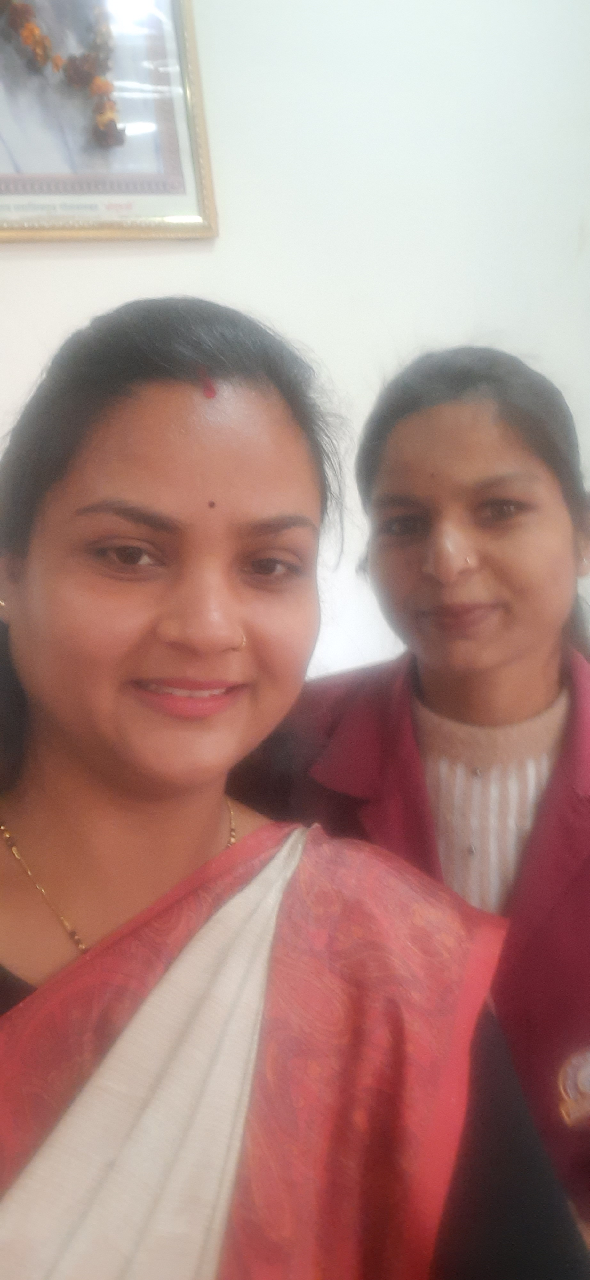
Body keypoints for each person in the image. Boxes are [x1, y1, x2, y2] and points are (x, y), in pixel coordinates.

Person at [0, 309, 585, 1280]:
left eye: (269, 565)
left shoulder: (380, 962)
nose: (207, 625)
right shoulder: (310, 750)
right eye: (128, 553)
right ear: (11, 569)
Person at [231, 345, 590, 1232]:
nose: (448, 558)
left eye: (499, 509)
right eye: (404, 523)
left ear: (582, 534)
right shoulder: (274, 755)